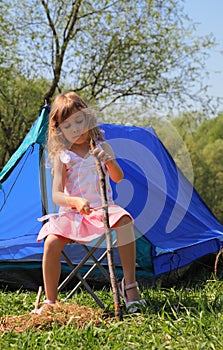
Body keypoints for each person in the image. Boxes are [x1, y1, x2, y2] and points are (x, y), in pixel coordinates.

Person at [35, 92, 146, 314]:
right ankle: (50, 300)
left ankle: (130, 285)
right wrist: (74, 201)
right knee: (51, 243)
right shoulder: (63, 156)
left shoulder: (102, 147)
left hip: (102, 210)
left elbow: (118, 177)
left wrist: (109, 161)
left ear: (88, 119)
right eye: (68, 125)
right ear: (59, 129)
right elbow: (56, 195)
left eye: (79, 121)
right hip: (73, 216)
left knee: (124, 221)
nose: (75, 129)